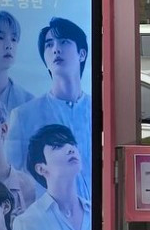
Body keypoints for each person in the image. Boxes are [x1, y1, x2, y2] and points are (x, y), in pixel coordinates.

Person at [7, 17, 93, 183]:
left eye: (64, 42)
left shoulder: (97, 109)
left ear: (82, 54)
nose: (56, 49)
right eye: (49, 44)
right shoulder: (24, 116)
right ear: (45, 60)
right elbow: (14, 177)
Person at [14, 124, 92, 230]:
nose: (70, 149)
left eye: (72, 144)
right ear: (41, 168)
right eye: (57, 146)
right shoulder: (28, 223)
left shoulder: (94, 213)